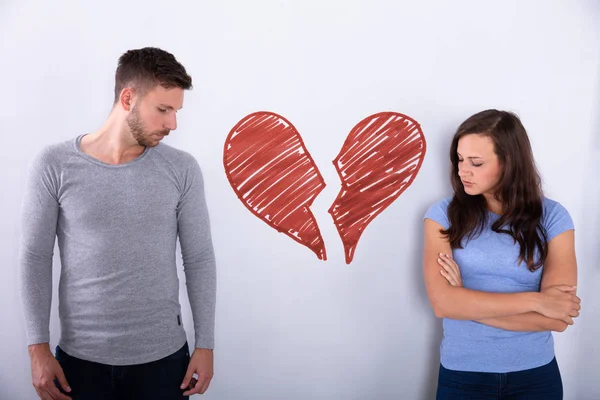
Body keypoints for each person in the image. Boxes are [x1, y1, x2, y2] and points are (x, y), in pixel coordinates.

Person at [18, 47, 217, 400]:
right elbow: (34, 257)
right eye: (163, 109)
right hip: (78, 365)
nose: (173, 124)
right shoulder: (54, 165)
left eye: (176, 111)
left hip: (165, 363)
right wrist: (37, 348)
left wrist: (205, 343)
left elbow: (198, 258)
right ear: (128, 98)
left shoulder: (182, 169)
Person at [422, 109, 581, 399]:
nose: (462, 171)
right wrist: (537, 301)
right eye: (459, 159)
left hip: (536, 376)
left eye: (476, 162)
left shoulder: (554, 218)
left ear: (509, 162)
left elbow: (557, 318)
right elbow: (443, 304)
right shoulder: (442, 215)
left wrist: (467, 304)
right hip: (463, 376)